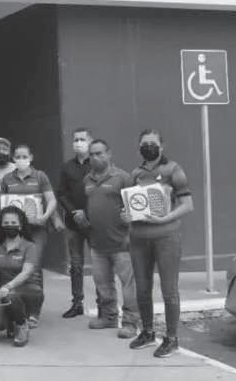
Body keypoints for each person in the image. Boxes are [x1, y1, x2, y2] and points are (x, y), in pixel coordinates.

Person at [125, 129, 194, 358]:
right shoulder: (135, 173)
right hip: (139, 239)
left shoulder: (174, 170)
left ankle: (172, 338)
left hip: (166, 238)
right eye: (144, 143)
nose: (148, 147)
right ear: (139, 148)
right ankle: (147, 332)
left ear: (161, 147)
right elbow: (130, 204)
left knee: (169, 290)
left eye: (152, 143)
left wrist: (165, 218)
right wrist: (125, 215)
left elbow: (187, 205)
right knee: (142, 289)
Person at [0, 144, 62, 326]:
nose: (21, 159)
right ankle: (17, 305)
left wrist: (45, 217)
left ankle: (34, 311)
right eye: (17, 157)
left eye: (24, 156)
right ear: (13, 159)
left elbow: (51, 200)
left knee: (33, 268)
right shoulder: (7, 179)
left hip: (36, 230)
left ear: (31, 157)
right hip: (14, 230)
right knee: (15, 265)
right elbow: (2, 203)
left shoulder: (40, 176)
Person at [84, 139, 139, 338]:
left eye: (99, 153)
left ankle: (130, 323)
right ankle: (108, 317)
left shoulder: (123, 178)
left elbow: (135, 208)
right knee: (102, 284)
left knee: (128, 286)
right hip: (97, 244)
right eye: (92, 154)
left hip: (122, 243)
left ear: (109, 154)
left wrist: (130, 233)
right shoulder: (87, 180)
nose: (95, 157)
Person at [0, 206, 43, 347]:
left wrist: (7, 286)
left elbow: (26, 272)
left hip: (29, 291)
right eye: (6, 223)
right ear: (0, 225)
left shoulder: (30, 246)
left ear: (20, 225)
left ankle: (22, 325)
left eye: (13, 223)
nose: (9, 226)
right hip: (6, 292)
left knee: (10, 294)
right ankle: (13, 321)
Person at [56, 127, 93, 319]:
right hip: (73, 223)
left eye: (82, 139)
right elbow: (61, 193)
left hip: (94, 222)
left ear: (90, 141)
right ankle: (77, 303)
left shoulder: (97, 164)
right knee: (76, 265)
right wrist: (74, 212)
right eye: (76, 140)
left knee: (101, 265)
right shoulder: (67, 167)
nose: (78, 143)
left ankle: (104, 304)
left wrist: (87, 212)